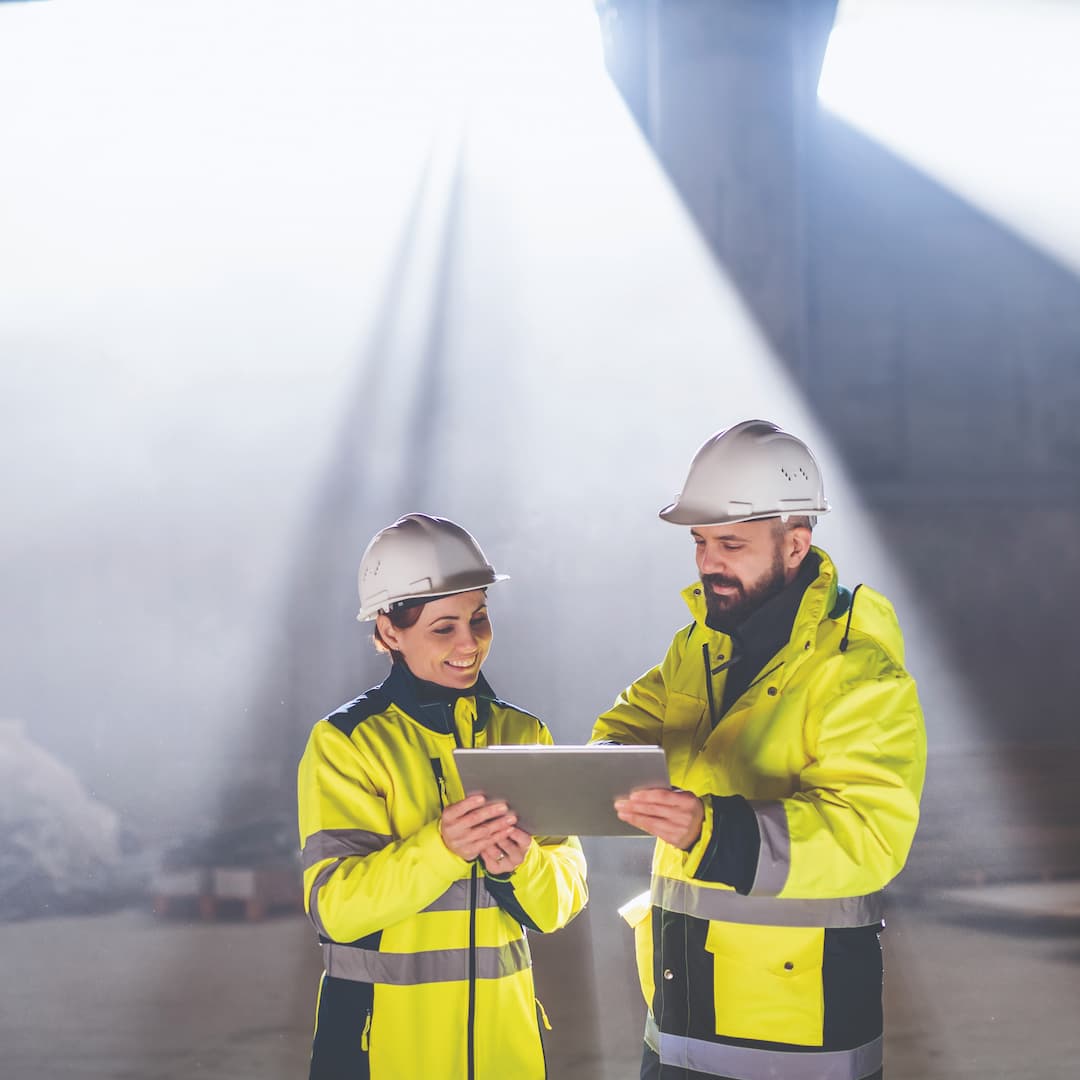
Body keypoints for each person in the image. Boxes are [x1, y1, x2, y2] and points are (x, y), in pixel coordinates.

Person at [591, 420, 926, 1080]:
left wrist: (715, 830)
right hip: (680, 1021)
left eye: (731, 544)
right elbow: (623, 731)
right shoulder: (699, 648)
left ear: (795, 544)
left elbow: (869, 837)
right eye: (700, 542)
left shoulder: (858, 672)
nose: (708, 561)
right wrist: (578, 778)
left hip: (796, 1041)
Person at [298, 513, 588, 1080]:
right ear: (388, 633)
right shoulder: (347, 743)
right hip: (380, 1051)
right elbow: (336, 909)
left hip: (507, 1051)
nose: (468, 644)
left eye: (479, 619)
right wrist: (442, 849)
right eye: (443, 627)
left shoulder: (523, 736)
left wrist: (523, 866)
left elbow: (562, 903)